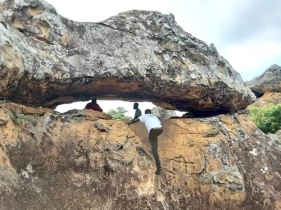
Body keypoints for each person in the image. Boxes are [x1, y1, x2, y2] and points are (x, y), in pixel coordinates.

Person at [127, 109, 163, 175]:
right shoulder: (154, 116)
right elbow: (159, 123)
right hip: (160, 129)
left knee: (154, 148)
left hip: (153, 130)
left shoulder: (145, 116)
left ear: (145, 112)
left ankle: (159, 167)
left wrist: (128, 123)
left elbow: (136, 120)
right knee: (154, 137)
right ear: (150, 112)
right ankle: (154, 147)